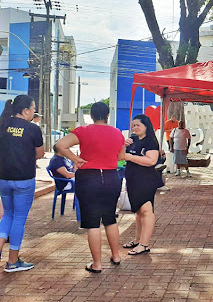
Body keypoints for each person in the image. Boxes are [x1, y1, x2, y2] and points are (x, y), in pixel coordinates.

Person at [55, 102, 125, 273]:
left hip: (89, 178)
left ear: (92, 116)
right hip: (111, 177)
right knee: (110, 218)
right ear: (107, 115)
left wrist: (75, 159)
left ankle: (97, 264)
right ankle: (116, 256)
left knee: (93, 222)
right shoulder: (117, 133)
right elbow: (121, 156)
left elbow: (60, 145)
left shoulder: (83, 131)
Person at [0, 95, 44, 272]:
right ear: (26, 110)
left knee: (7, 215)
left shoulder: (2, 124)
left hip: (3, 178)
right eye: (33, 109)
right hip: (24, 180)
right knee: (18, 218)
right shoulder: (32, 129)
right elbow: (40, 154)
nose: (33, 113)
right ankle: (12, 261)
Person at [122, 114, 163, 255]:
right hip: (132, 180)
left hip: (146, 181)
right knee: (138, 212)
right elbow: (120, 156)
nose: (135, 128)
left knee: (146, 211)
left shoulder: (150, 141)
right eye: (133, 125)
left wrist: (130, 156)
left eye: (138, 125)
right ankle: (137, 239)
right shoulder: (132, 140)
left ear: (146, 126)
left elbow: (151, 161)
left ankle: (144, 244)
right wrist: (123, 146)